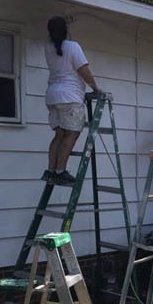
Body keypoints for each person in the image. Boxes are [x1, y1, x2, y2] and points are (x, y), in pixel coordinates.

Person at [43, 16, 103, 186]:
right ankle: (60, 171)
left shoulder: (48, 48)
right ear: (66, 30)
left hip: (52, 96)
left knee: (59, 134)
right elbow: (84, 71)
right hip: (69, 97)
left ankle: (50, 170)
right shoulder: (72, 46)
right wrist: (96, 88)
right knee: (72, 133)